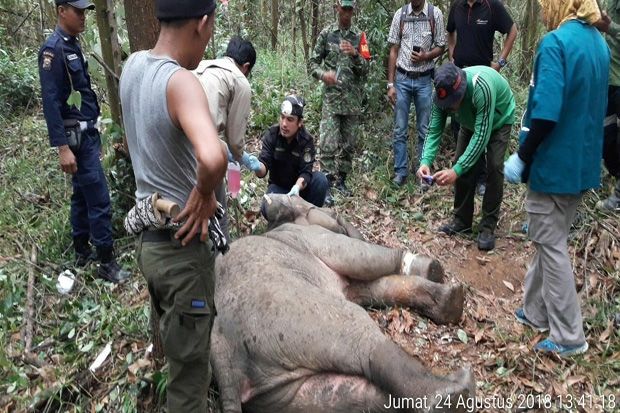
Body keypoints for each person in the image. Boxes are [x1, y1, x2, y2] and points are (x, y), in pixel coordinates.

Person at [119, 0, 227, 410]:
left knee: (180, 349)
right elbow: (214, 157)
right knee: (188, 383)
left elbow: (135, 141)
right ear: (201, 23)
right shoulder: (181, 82)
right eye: (212, 26)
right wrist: (203, 194)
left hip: (151, 247)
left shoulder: (132, 68)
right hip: (183, 254)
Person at [503, 0, 608, 357]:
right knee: (548, 236)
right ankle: (535, 311)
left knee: (550, 244)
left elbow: (546, 112)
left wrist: (523, 156)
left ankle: (568, 335)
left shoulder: (555, 43)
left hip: (553, 166)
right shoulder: (597, 42)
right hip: (582, 166)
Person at [38, 0, 129, 283]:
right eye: (77, 11)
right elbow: (51, 104)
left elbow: (83, 92)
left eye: (85, 12)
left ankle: (80, 250)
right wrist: (62, 148)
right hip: (75, 137)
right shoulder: (53, 50)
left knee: (80, 194)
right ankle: (106, 261)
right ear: (61, 10)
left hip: (87, 133)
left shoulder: (73, 45)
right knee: (99, 198)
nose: (83, 17)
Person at [416, 62, 515, 251]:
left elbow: (482, 135)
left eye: (454, 101)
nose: (451, 107)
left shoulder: (481, 88)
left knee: (494, 166)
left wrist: (456, 171)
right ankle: (462, 221)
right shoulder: (440, 94)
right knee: (461, 161)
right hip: (469, 122)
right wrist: (425, 160)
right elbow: (434, 128)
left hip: (499, 119)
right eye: (448, 103)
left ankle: (487, 226)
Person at [447, 0, 518, 196]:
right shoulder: (457, 6)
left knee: (482, 127)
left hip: (483, 78)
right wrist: (452, 56)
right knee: (461, 128)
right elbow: (450, 32)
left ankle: (482, 178)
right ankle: (465, 175)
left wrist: (501, 62)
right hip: (459, 77)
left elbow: (512, 30)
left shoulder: (491, 6)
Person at [193, 36, 260, 239]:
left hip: (178, 143)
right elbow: (235, 142)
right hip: (202, 149)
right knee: (217, 204)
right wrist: (245, 160)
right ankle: (223, 253)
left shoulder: (202, 65)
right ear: (246, 67)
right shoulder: (240, 81)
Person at [309, 0, 368, 203]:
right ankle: (325, 186)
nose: (346, 13)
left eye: (350, 9)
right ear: (337, 8)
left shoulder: (359, 36)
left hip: (352, 100)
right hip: (332, 100)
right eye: (344, 8)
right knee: (327, 144)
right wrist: (323, 74)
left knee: (349, 144)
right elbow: (313, 63)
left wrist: (355, 55)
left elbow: (367, 68)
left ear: (353, 11)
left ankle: (341, 181)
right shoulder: (326, 34)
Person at [387, 0, 446, 187]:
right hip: (403, 79)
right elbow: (393, 49)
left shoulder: (434, 14)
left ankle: (423, 173)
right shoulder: (401, 14)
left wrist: (425, 56)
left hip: (424, 80)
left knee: (425, 129)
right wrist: (391, 84)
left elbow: (441, 45)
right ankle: (400, 172)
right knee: (399, 128)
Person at [252, 96, 329, 211]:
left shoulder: (306, 140)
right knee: (267, 205)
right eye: (282, 118)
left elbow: (306, 173)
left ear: (299, 123)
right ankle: (289, 221)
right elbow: (263, 169)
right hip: (279, 189)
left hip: (300, 190)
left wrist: (297, 187)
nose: (284, 124)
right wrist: (256, 166)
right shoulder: (272, 135)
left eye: (290, 119)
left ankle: (310, 217)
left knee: (320, 180)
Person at [594, 1, 620, 212]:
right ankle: (612, 173)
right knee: (607, 135)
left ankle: (618, 197)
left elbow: (610, 27)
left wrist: (609, 28)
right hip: (608, 78)